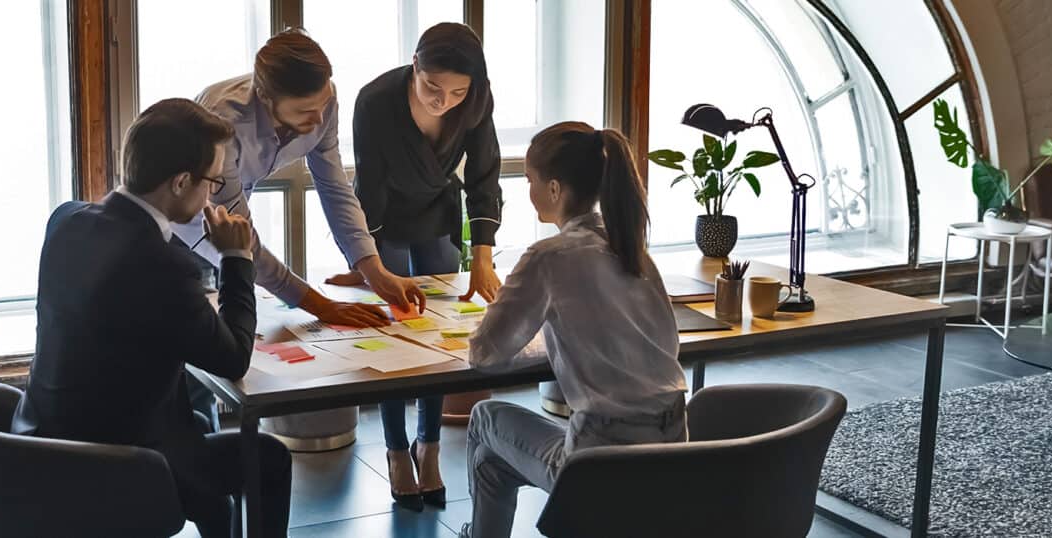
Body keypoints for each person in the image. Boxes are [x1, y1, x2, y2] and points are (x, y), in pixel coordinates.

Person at [12, 98, 291, 538]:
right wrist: (238, 257)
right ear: (182, 182)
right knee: (268, 457)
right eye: (213, 182)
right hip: (117, 464)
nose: (212, 195)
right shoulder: (163, 266)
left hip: (42, 440)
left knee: (197, 425)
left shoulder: (67, 219)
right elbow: (234, 357)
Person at [459, 122, 688, 538]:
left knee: (484, 418)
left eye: (529, 180)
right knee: (492, 461)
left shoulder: (549, 257)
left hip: (599, 464)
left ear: (554, 189)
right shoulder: (633, 250)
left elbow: (485, 355)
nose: (525, 192)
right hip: (670, 453)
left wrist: (512, 327)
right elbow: (653, 342)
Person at [334, 22, 503, 512]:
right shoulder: (375, 100)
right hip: (384, 217)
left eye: (456, 92)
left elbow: (484, 174)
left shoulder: (475, 101)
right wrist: (369, 265)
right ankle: (395, 450)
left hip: (437, 214)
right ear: (414, 65)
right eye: (432, 87)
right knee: (393, 331)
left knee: (437, 335)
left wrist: (483, 259)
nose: (442, 101)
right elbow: (369, 184)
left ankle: (428, 445)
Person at [176, 28, 427, 326]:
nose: (320, 119)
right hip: (182, 234)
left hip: (227, 235)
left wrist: (375, 271)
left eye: (323, 105)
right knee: (201, 345)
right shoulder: (222, 122)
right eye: (306, 111)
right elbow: (237, 236)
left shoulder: (324, 101)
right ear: (265, 99)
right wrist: (321, 307)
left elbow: (334, 187)